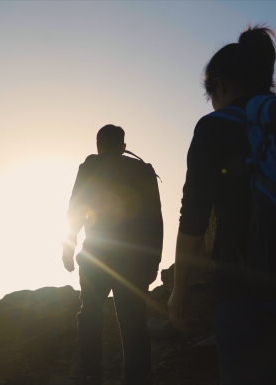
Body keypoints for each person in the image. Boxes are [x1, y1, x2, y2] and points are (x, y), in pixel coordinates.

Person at [166, 26, 276, 384]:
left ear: (221, 85)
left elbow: (193, 216)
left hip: (242, 295)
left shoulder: (213, 128)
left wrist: (179, 290)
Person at [63, 124, 163, 385]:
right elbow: (156, 220)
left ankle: (91, 374)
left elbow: (75, 209)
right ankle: (138, 379)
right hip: (134, 260)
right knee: (134, 323)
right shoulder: (143, 171)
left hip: (96, 255)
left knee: (91, 315)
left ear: (98, 146)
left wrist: (68, 248)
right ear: (124, 147)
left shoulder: (89, 168)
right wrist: (154, 261)